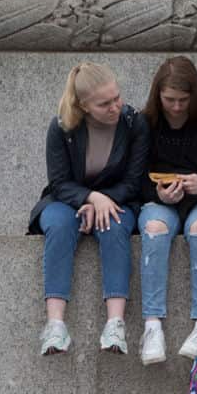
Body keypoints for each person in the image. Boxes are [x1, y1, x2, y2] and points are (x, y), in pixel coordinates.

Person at [28, 62, 148, 355]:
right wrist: (90, 198)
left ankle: (115, 324)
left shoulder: (134, 123)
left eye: (117, 97)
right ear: (83, 105)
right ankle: (55, 326)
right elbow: (58, 182)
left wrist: (104, 201)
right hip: (67, 201)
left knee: (114, 224)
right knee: (58, 224)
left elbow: (134, 182)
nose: (115, 107)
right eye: (104, 103)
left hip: (119, 199)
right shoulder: (61, 127)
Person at [137, 56, 197, 365]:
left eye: (183, 100)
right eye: (169, 100)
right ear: (158, 96)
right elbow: (132, 178)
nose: (176, 107)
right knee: (154, 230)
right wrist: (159, 193)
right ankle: (152, 326)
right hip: (161, 202)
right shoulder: (146, 123)